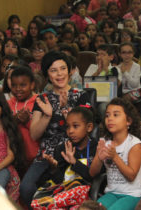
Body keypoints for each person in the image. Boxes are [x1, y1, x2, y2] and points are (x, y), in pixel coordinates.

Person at [20, 51, 90, 208]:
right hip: (47, 155)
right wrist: (47, 115)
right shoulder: (43, 99)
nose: (59, 74)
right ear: (47, 74)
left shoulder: (81, 96)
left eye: (63, 68)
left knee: (64, 193)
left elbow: (86, 130)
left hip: (73, 154)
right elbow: (34, 134)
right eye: (53, 70)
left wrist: (67, 112)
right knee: (26, 189)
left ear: (70, 70)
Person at [31, 107, 97, 209]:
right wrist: (54, 168)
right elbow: (59, 182)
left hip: (86, 198)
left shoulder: (96, 147)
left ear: (89, 127)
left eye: (75, 126)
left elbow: (93, 176)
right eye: (68, 127)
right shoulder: (62, 149)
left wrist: (74, 162)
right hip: (65, 195)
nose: (70, 131)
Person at [89, 98, 141, 210]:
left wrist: (115, 157)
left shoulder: (135, 144)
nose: (110, 119)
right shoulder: (105, 142)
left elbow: (131, 176)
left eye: (116, 115)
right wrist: (98, 157)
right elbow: (93, 173)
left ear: (128, 121)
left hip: (131, 195)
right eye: (107, 115)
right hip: (111, 194)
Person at [7, 65, 39, 167]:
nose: (18, 89)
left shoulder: (40, 102)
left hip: (35, 157)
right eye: (14, 85)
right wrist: (13, 121)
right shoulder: (8, 103)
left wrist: (27, 121)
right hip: (12, 157)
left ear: (32, 85)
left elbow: (43, 131)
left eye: (23, 85)